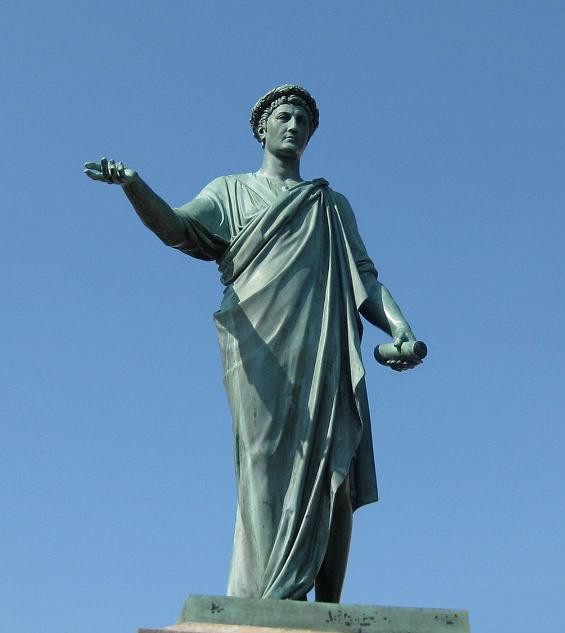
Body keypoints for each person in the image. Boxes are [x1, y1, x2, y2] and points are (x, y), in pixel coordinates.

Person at [84, 84, 420, 603]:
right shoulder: (231, 191)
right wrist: (134, 186)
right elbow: (177, 228)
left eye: (304, 121)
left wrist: (399, 327)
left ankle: (327, 609)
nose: (294, 126)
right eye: (285, 117)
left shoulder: (330, 205)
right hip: (259, 345)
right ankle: (270, 597)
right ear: (262, 128)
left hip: (324, 344)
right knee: (263, 463)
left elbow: (364, 278)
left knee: (335, 471)